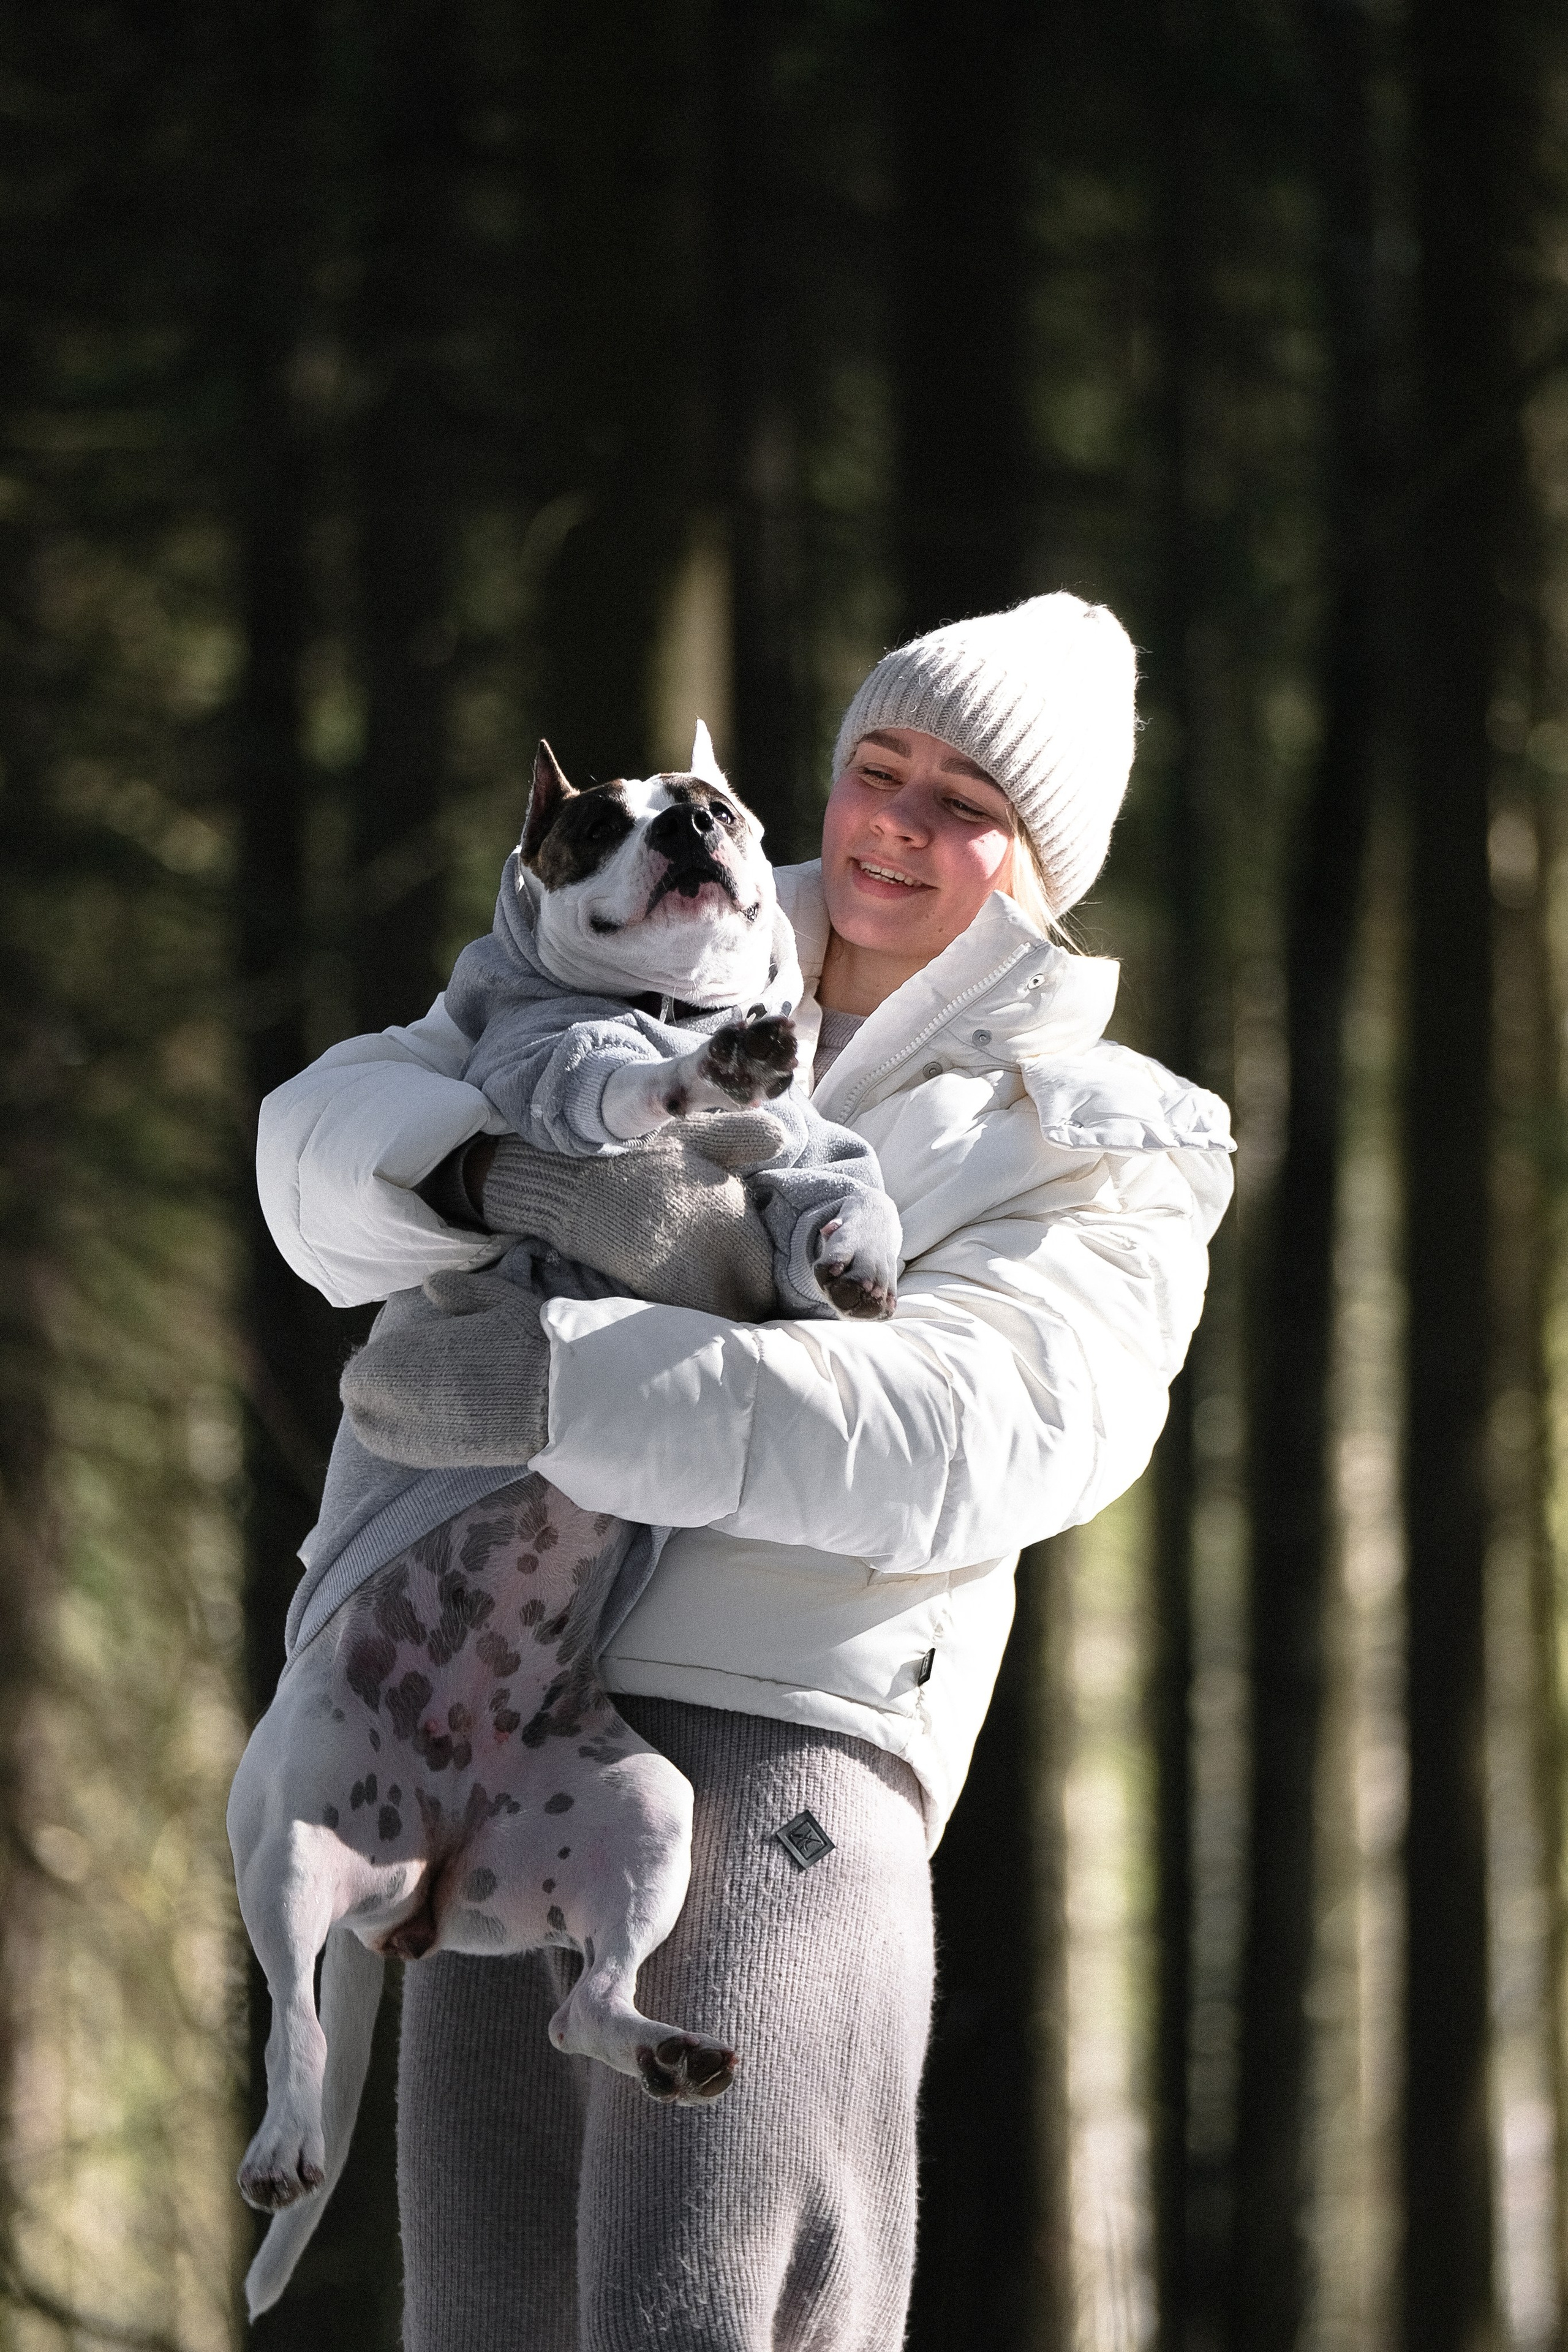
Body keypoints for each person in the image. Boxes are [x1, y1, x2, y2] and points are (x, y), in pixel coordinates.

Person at [257, 591, 1234, 2351]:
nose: (897, 825)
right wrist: (483, 1178)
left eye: (965, 804)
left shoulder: (1103, 1132)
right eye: (880, 768)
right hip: (506, 1735)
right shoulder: (623, 938)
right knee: (492, 2319)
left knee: (708, 2316)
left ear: (1046, 865)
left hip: (786, 1760)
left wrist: (557, 1380)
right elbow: (315, 1145)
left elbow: (972, 1434)